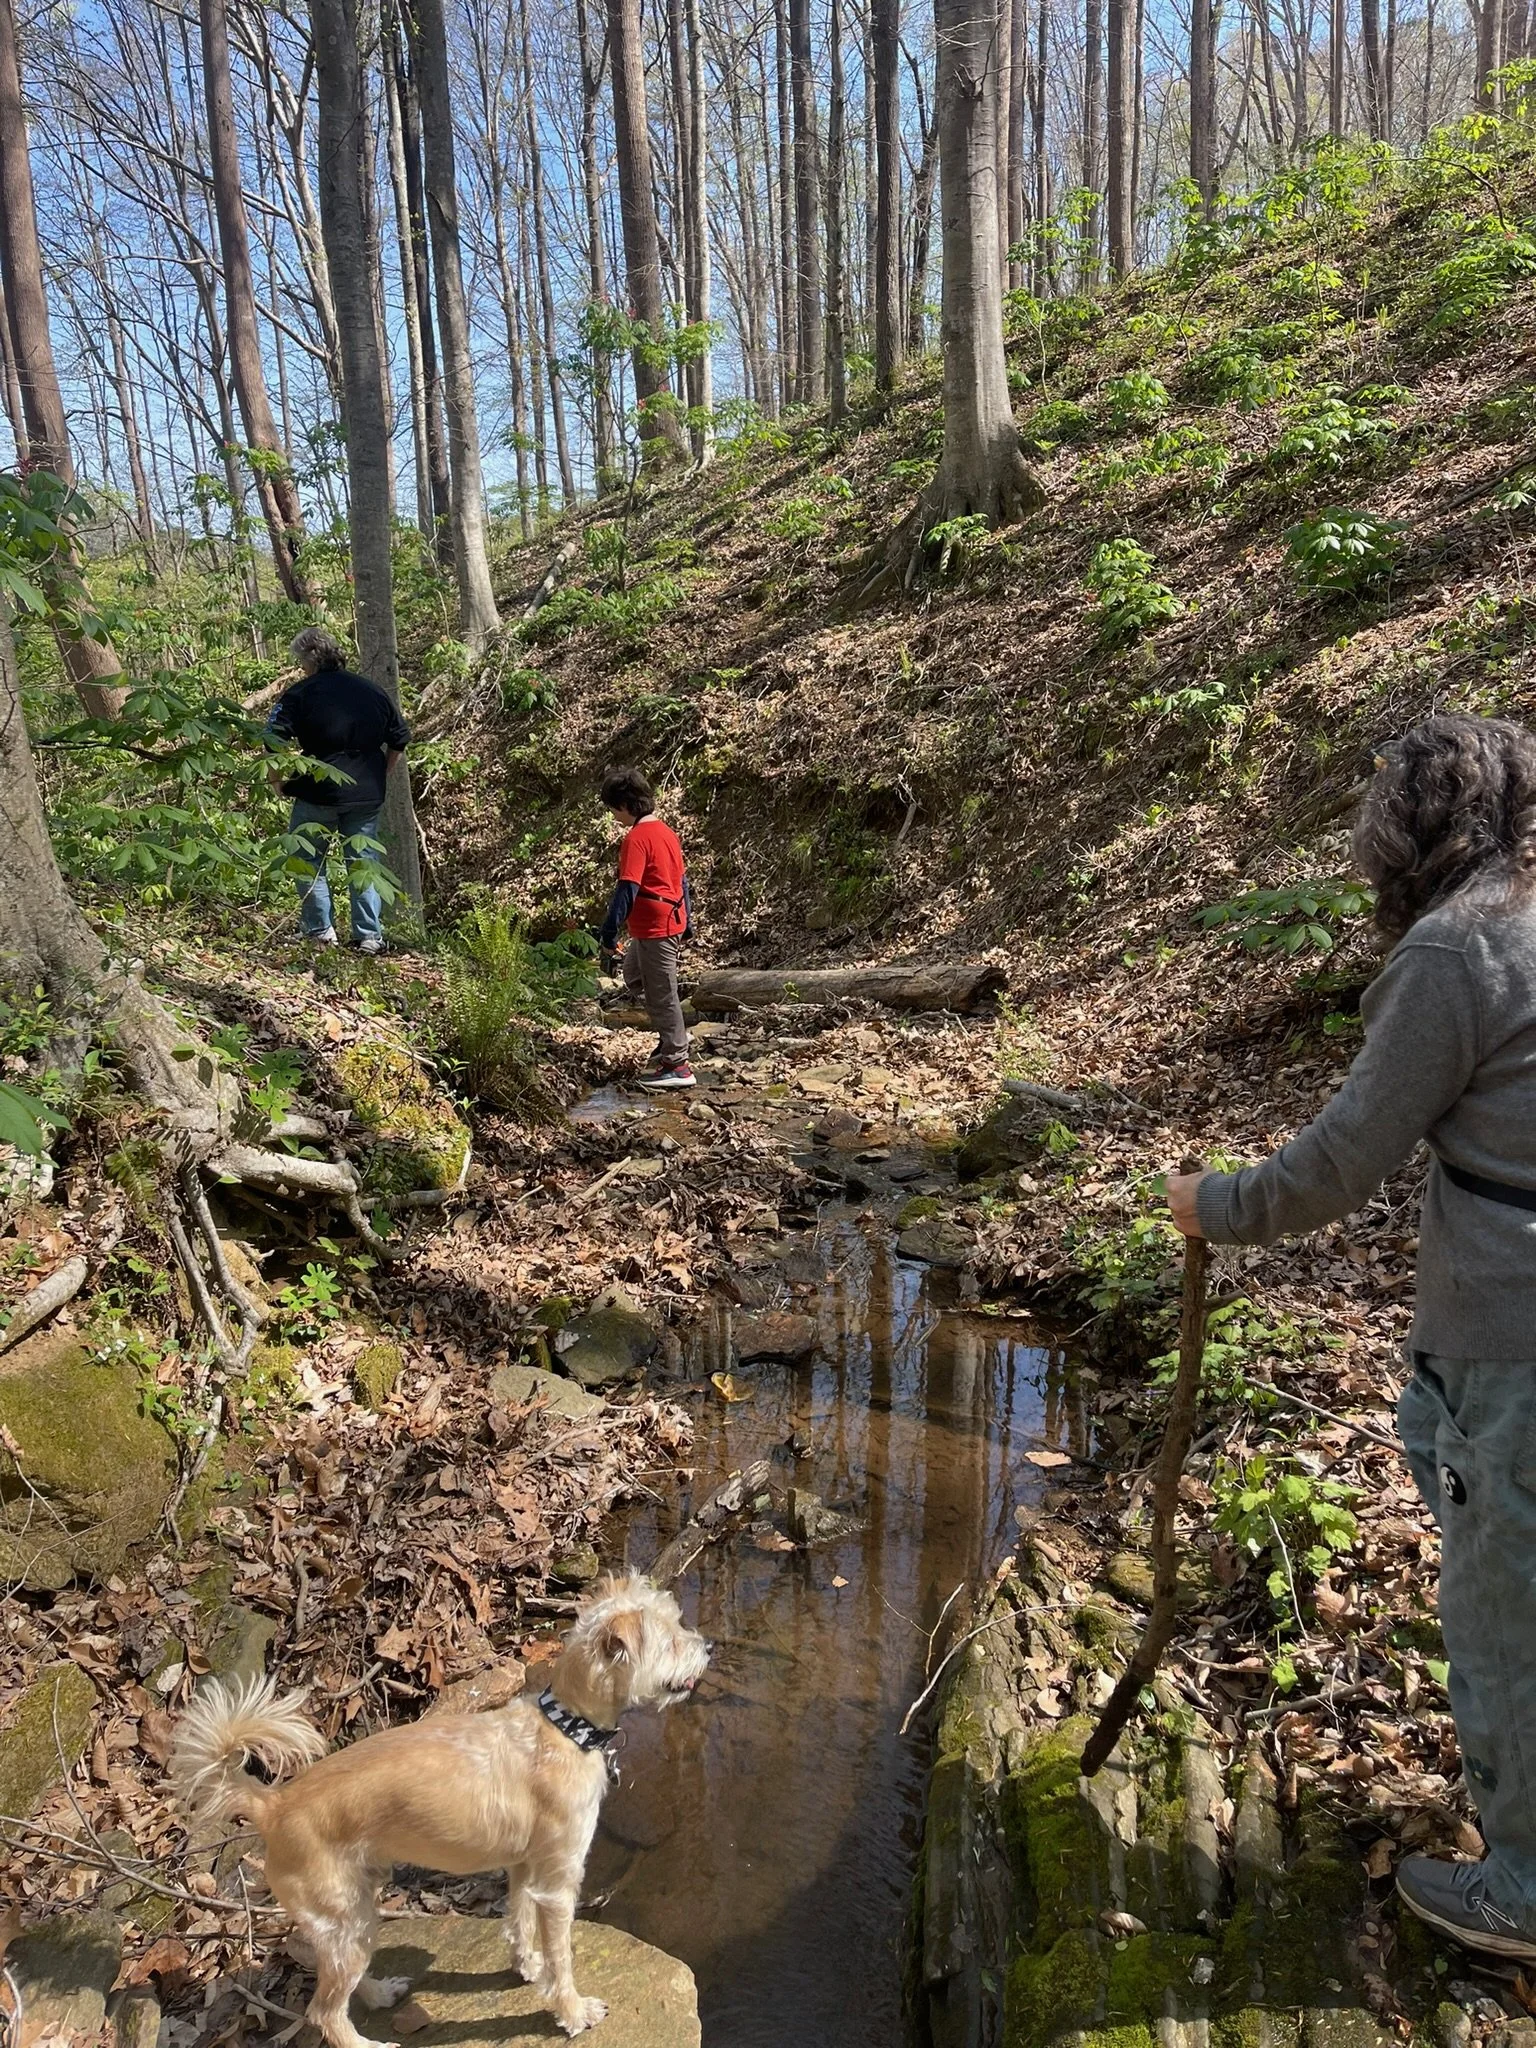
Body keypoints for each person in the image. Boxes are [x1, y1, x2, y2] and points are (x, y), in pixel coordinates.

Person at [1165, 713, 1536, 1961]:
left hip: (1514, 1333)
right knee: (1446, 1462)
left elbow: (1340, 1161)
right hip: (1488, 1329)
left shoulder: (1459, 949)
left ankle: (1526, 1888)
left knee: (1504, 1606)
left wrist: (1213, 1202)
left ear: (1407, 826)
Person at [267, 628, 410, 955]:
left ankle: (319, 933)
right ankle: (369, 936)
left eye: (300, 660)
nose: (300, 666)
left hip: (319, 790)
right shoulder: (371, 690)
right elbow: (400, 737)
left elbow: (273, 739)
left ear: (308, 659)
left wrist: (276, 782)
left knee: (306, 858)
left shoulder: (300, 694)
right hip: (367, 794)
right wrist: (383, 772)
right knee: (363, 861)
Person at [597, 766, 695, 1090]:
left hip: (658, 927)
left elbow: (627, 888)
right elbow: (682, 882)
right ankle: (671, 1038)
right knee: (634, 973)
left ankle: (678, 1065)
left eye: (613, 809)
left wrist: (608, 933)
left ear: (625, 805)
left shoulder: (637, 838)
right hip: (658, 925)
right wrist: (688, 923)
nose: (613, 816)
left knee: (663, 993)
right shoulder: (666, 832)